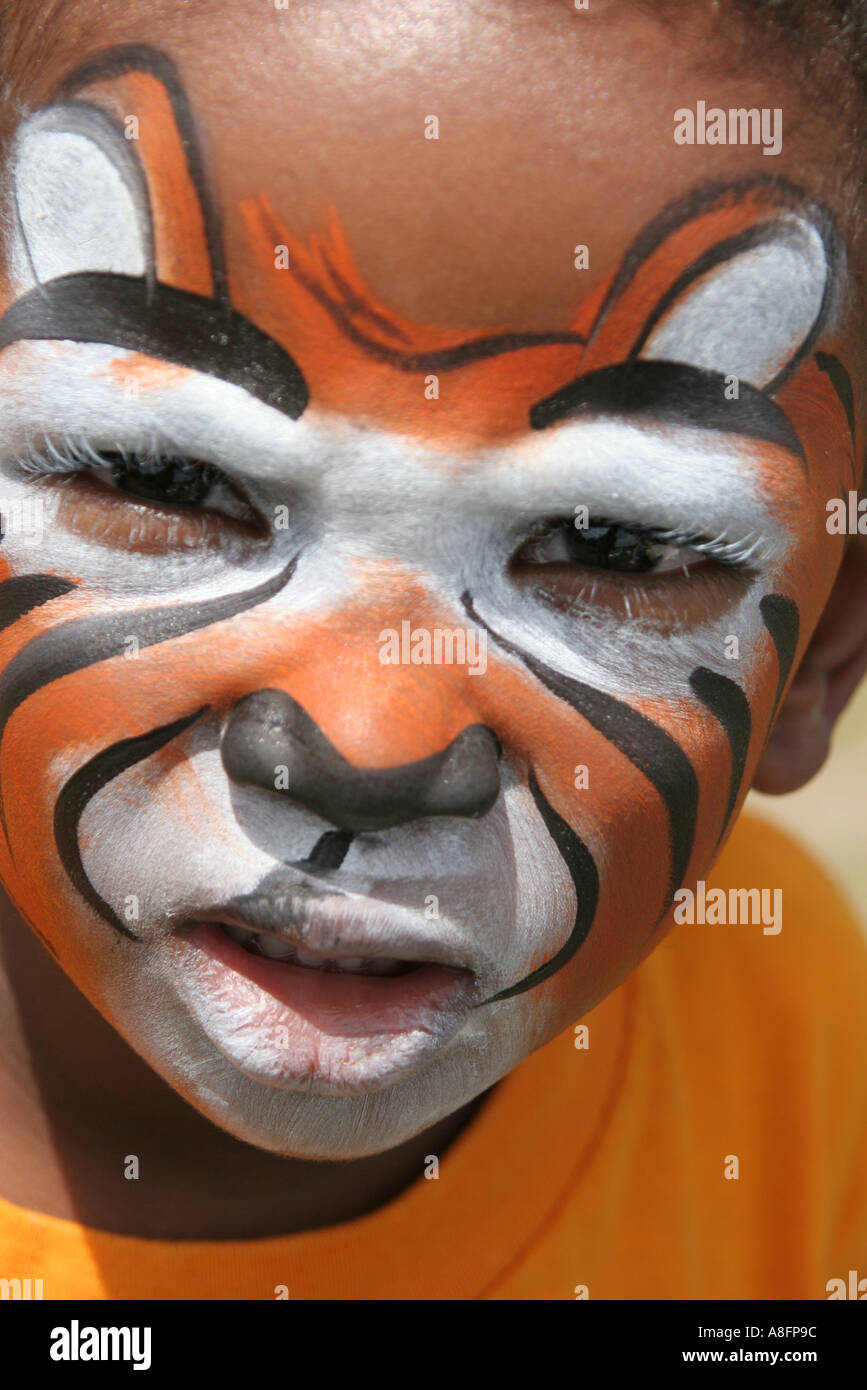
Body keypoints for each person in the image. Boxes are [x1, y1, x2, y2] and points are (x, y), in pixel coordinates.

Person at [0, 0, 865, 1300]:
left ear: (824, 656)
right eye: (161, 472)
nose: (366, 747)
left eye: (616, 549)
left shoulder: (802, 1052)